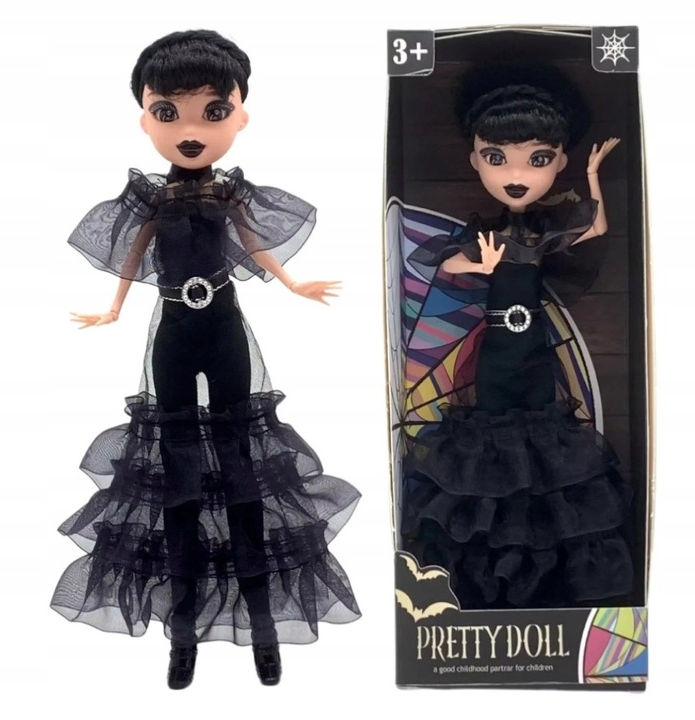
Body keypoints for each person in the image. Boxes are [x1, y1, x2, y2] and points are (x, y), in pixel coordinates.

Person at [50, 29, 361, 690]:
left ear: (240, 116)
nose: (190, 130)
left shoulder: (229, 195)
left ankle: (264, 627)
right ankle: (183, 632)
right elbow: (133, 257)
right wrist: (111, 309)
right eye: (168, 112)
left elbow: (255, 247)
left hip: (224, 330)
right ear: (145, 118)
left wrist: (293, 283)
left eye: (213, 112)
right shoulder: (150, 200)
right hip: (172, 332)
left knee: (244, 470)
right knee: (178, 481)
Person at [402, 70, 633, 609]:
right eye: (496, 157)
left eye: (538, 158)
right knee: (492, 438)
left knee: (542, 440)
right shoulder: (485, 233)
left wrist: (593, 175)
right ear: (475, 159)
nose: (516, 175)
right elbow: (441, 263)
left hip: (534, 351)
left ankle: (546, 572)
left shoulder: (543, 231)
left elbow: (595, 229)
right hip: (496, 351)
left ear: (558, 161)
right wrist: (476, 264)